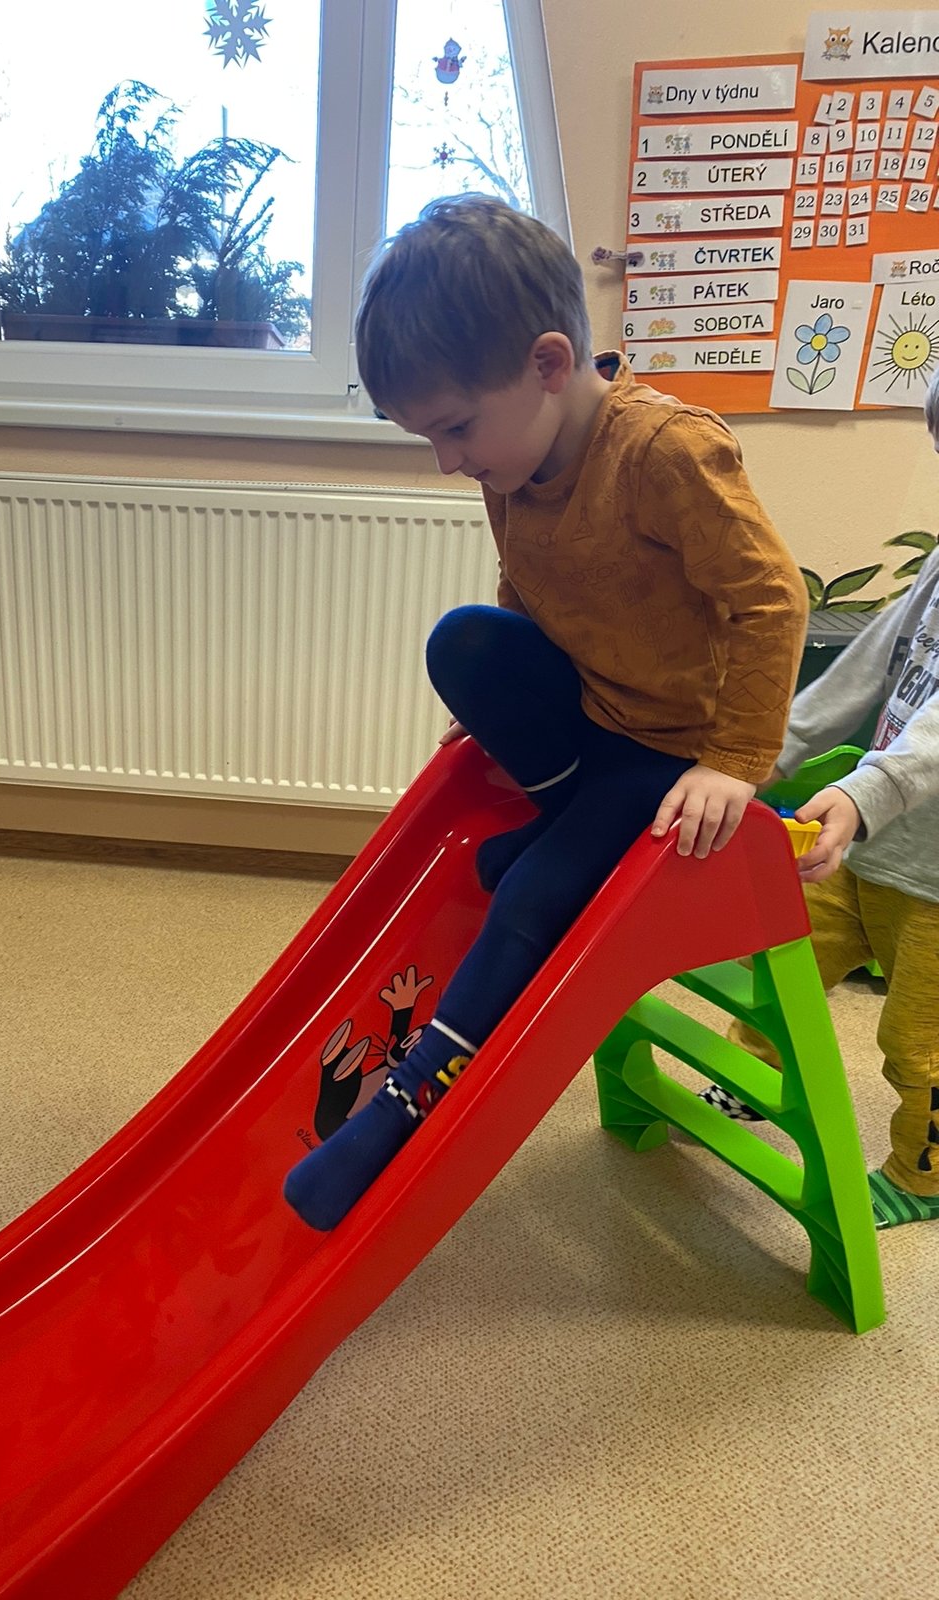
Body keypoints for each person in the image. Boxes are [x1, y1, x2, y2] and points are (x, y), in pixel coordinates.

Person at [283, 194, 809, 1232]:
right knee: (466, 641)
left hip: (671, 752)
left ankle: (399, 1108)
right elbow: (532, 583)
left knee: (533, 897)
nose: (448, 461)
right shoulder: (513, 457)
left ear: (549, 363)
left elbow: (773, 600)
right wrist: (503, 701)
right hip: (593, 716)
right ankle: (561, 822)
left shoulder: (664, 453)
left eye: (455, 428)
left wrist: (733, 763)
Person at [700, 367, 939, 1230]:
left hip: (933, 881)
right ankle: (750, 1078)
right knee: (783, 959)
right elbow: (869, 667)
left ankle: (922, 1173)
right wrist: (765, 750)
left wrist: (867, 789)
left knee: (918, 1045)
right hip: (868, 842)